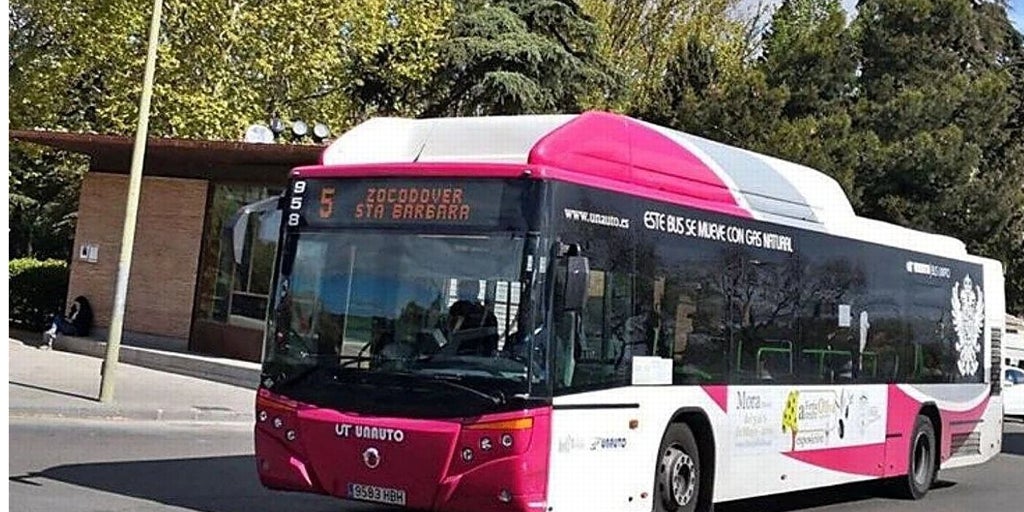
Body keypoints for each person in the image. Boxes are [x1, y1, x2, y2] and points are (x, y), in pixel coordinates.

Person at [446, 280, 499, 356]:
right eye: (459, 286)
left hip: (453, 361)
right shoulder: (489, 316)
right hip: (478, 363)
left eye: (462, 286)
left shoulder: (455, 311)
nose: (458, 289)